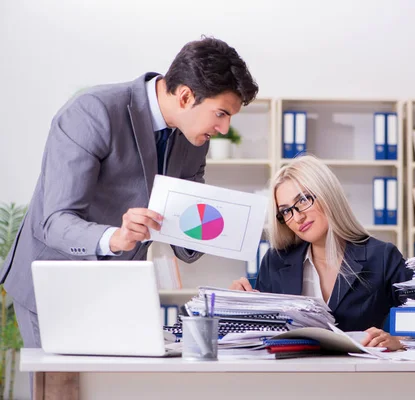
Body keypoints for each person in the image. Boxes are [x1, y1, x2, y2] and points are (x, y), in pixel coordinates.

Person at [1, 36, 259, 352]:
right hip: (55, 284)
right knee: (63, 389)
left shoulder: (195, 141)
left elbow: (188, 237)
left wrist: (219, 224)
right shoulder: (92, 112)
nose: (224, 128)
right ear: (185, 96)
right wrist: (114, 237)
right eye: (220, 113)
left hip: (119, 289)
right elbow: (53, 221)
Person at [230, 155, 413, 351]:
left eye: (303, 200)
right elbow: (260, 336)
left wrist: (400, 342)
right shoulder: (275, 261)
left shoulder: (382, 256)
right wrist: (239, 307)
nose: (298, 217)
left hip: (357, 375)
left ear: (327, 195)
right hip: (291, 374)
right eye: (286, 211)